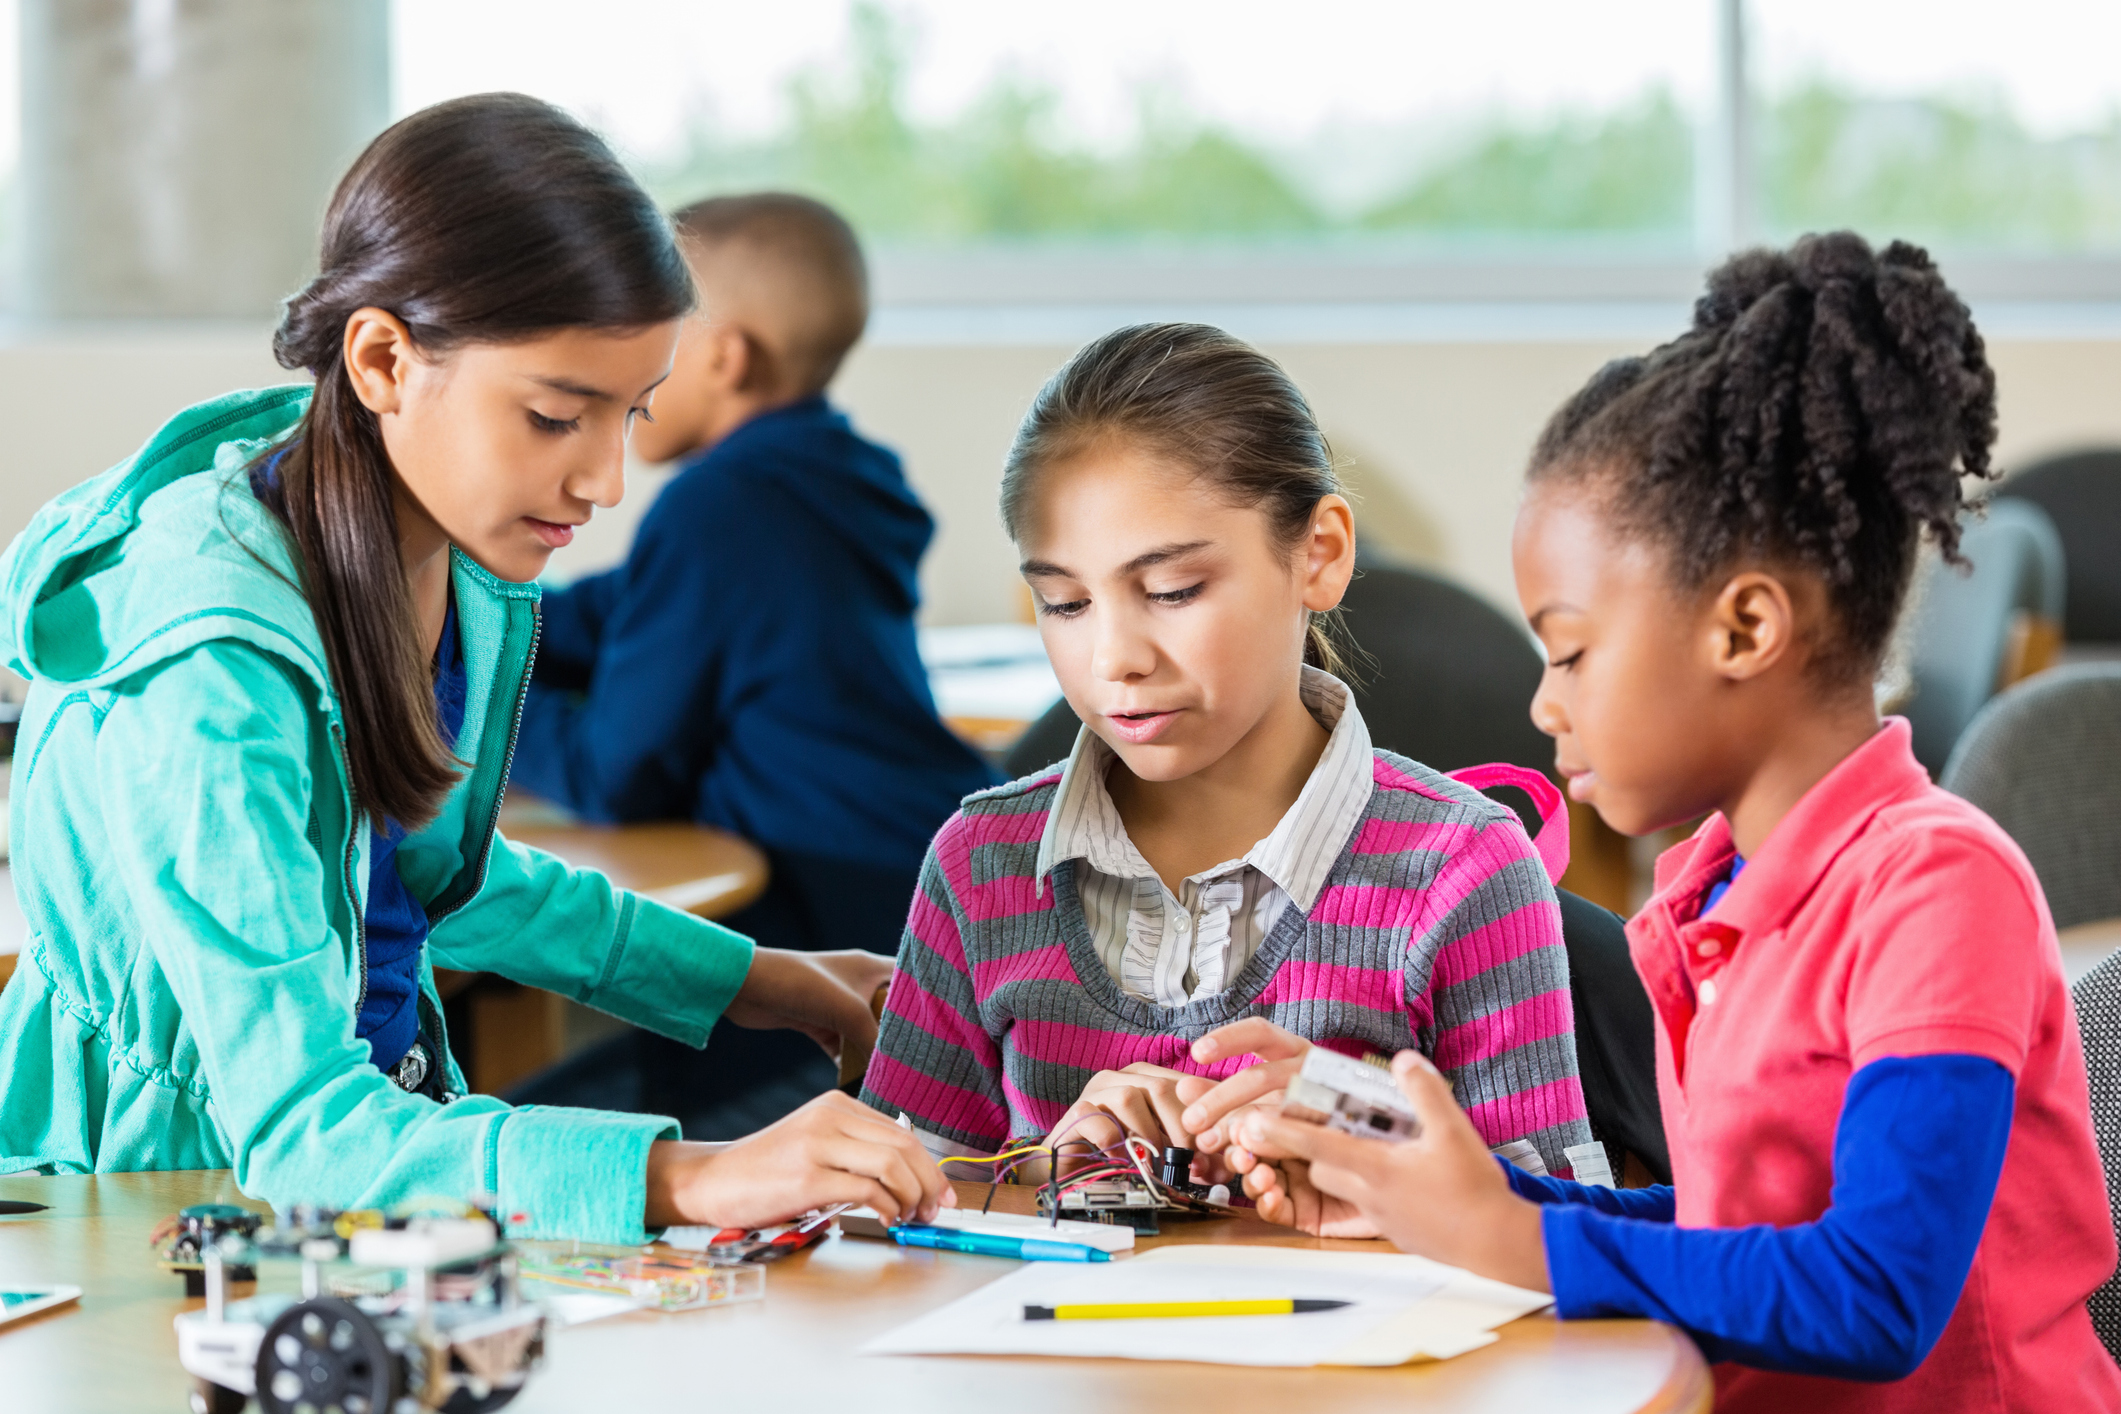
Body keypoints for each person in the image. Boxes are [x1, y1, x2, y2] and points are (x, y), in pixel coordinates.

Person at [1188, 234, 2121, 1410]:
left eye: (1572, 650)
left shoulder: (1938, 887)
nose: (1542, 701)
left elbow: (1876, 1290)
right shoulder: (1716, 891)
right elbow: (1734, 1231)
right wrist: (1429, 1188)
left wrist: (1516, 1243)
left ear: (1742, 630)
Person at [0, 95, 951, 1246]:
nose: (605, 480)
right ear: (386, 359)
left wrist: (773, 981)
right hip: (163, 1217)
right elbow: (304, 1130)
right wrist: (699, 1177)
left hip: (378, 1191)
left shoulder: (452, 566)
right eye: (557, 416)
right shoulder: (209, 673)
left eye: (632, 413)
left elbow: (444, 877)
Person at [860, 323, 1595, 1179]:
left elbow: (1555, 1222)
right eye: (1063, 603)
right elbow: (892, 1209)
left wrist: (1353, 1124)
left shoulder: (1460, 871)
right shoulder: (980, 864)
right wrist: (1040, 1171)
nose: (1114, 658)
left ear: (1317, 555)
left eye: (1173, 591)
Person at [508, 193, 997, 1136]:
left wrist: (461, 697)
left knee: (537, 1127)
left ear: (725, 356)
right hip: (916, 887)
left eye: (650, 339)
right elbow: (605, 617)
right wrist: (458, 612)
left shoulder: (719, 505)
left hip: (834, 941)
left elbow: (619, 773)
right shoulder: (835, 478)